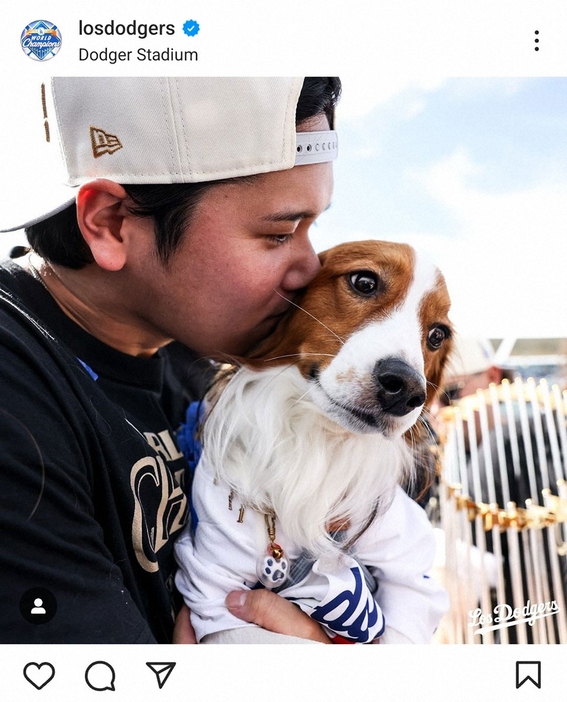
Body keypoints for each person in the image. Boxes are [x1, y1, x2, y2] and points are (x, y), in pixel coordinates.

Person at [0, 77, 340, 643]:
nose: (310, 267)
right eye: (279, 234)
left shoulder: (201, 369)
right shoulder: (18, 384)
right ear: (110, 222)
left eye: (314, 227)